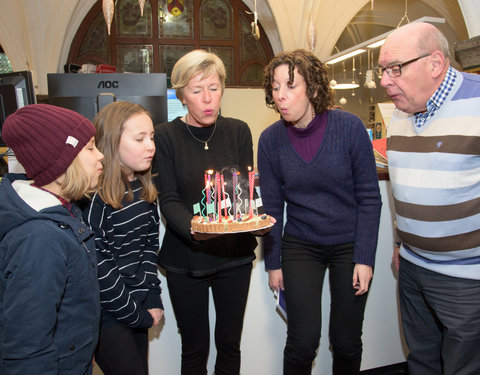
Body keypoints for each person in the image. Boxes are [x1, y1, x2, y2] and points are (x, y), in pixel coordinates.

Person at [258, 49, 382, 375]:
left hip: (349, 245)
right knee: (302, 341)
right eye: (275, 87)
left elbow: (370, 197)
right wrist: (273, 263)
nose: (281, 96)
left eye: (290, 86)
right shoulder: (270, 140)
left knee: (345, 341)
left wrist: (365, 257)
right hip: (301, 244)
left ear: (313, 89)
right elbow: (271, 206)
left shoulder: (349, 128)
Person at [152, 49, 271, 375]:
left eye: (214, 88)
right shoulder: (164, 136)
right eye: (196, 90)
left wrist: (255, 219)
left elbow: (242, 193)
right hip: (186, 259)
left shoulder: (238, 131)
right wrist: (196, 228)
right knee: (194, 348)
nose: (207, 99)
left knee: (230, 344)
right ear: (182, 95)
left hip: (233, 256)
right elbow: (169, 200)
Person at [378, 22, 480, 375]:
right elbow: (404, 188)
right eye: (382, 70)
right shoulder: (399, 112)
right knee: (420, 363)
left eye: (395, 69)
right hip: (412, 268)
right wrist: (398, 241)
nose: (384, 81)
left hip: (467, 279)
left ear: (435, 63)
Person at [0, 104, 104, 374]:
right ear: (64, 159)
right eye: (91, 148)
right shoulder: (40, 238)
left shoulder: (67, 211)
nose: (100, 155)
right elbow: (27, 347)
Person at [84, 102, 164, 375]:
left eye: (152, 137)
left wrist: (152, 296)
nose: (150, 146)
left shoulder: (144, 191)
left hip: (136, 306)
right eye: (140, 139)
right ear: (111, 143)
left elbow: (148, 250)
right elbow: (101, 269)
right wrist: (133, 313)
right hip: (108, 314)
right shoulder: (97, 201)